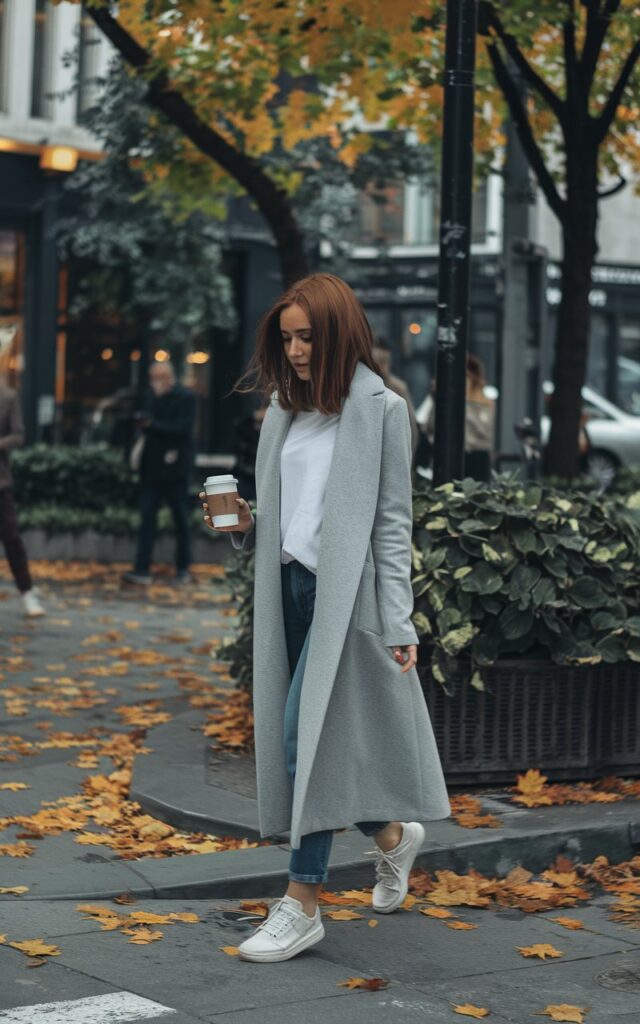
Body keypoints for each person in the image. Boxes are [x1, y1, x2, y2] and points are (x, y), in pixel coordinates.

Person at [200, 273, 451, 963]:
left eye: (307, 337)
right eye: (287, 338)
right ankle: (392, 837)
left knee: (300, 737)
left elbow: (393, 524)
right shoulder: (285, 408)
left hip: (346, 599)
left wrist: (398, 620)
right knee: (319, 743)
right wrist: (247, 523)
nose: (296, 350)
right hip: (288, 590)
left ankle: (302, 902)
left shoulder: (382, 410)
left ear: (339, 333)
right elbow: (293, 512)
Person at [122, 361, 196, 586]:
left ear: (169, 376)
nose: (156, 382)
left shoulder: (184, 397)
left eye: (160, 377)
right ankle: (142, 568)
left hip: (175, 469)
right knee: (147, 519)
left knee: (180, 519)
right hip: (151, 470)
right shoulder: (149, 397)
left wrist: (151, 424)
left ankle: (183, 568)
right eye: (153, 377)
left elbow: (182, 428)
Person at [0, 381, 44, 617]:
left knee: (11, 538)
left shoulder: (7, 397)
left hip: (1, 482)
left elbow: (18, 435)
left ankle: (27, 592)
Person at [420, 353, 496, 481]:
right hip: (450, 455)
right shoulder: (445, 399)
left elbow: (485, 434)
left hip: (476, 458)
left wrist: (463, 405)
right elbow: (430, 427)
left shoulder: (484, 402)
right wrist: (437, 399)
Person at [371, 337, 420, 462]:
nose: (382, 366)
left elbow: (411, 430)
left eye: (384, 361)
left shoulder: (398, 388)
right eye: (379, 361)